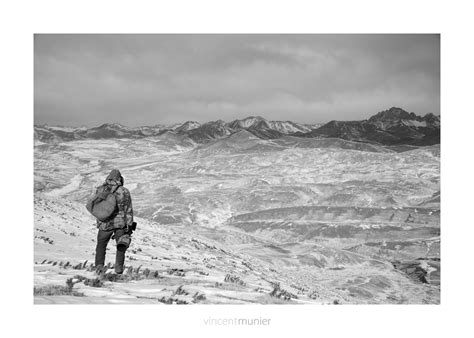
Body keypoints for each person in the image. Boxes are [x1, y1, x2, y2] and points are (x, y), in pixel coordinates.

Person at [94, 169, 133, 275]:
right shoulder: (124, 191)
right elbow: (128, 209)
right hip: (120, 224)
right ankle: (119, 269)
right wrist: (129, 225)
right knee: (121, 246)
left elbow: (97, 206)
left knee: (101, 246)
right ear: (120, 179)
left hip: (104, 223)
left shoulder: (100, 189)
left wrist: (99, 220)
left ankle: (99, 269)